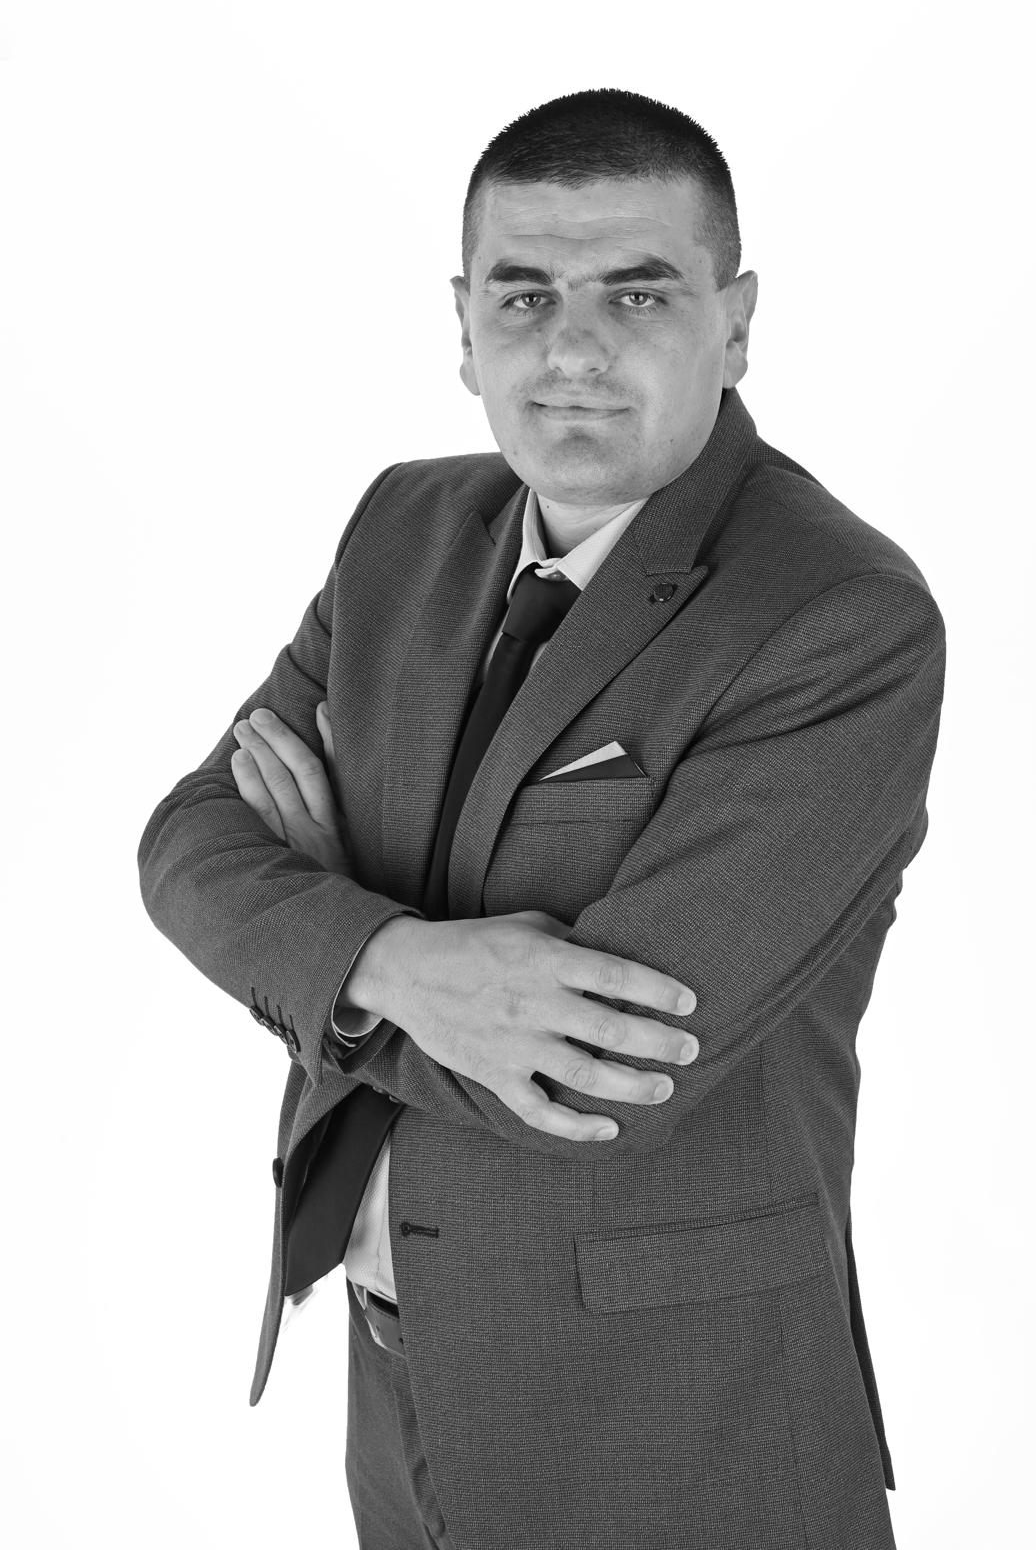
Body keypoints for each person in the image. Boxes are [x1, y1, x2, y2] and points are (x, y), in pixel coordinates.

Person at [137, 87, 946, 1550]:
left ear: (737, 322)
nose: (571, 350)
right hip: (398, 1393)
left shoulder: (836, 616)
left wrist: (319, 919)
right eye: (523, 296)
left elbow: (604, 1067)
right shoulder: (399, 531)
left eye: (638, 294)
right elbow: (189, 846)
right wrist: (389, 959)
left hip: (678, 1434)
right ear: (462, 326)